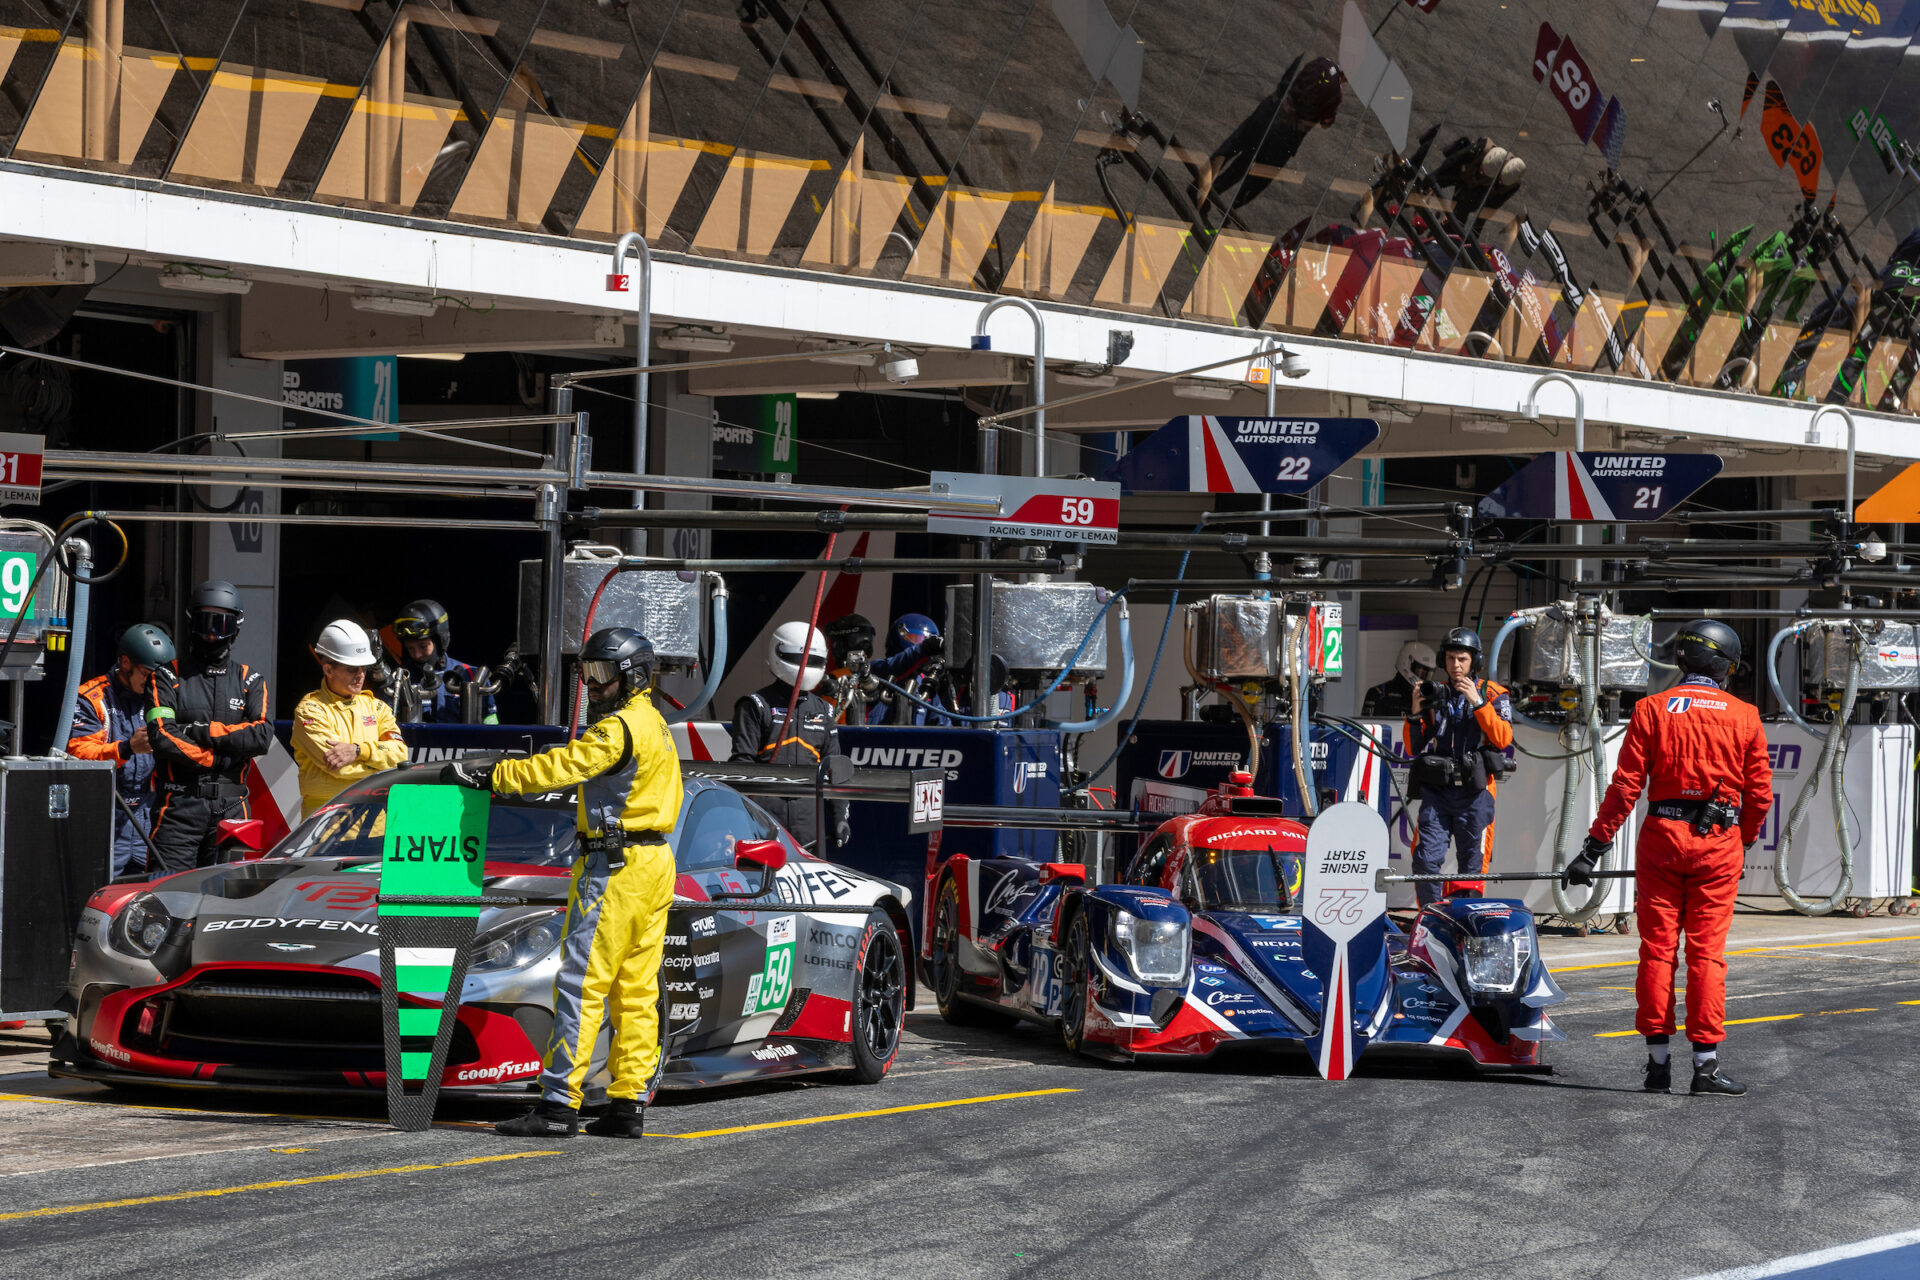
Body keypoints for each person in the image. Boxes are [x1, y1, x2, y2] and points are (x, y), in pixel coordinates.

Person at [447, 627, 681, 1139]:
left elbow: (564, 766)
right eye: (587, 673)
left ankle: (557, 1105)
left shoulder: (617, 729)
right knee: (637, 990)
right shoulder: (656, 725)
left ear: (633, 677)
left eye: (602, 673)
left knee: (581, 984)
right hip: (654, 862)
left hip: (614, 868)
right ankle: (627, 1105)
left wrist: (492, 776)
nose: (592, 685)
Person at [1568, 620, 1772, 1098]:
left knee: (1657, 951)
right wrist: (1741, 840)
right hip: (1717, 843)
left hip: (1660, 838)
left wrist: (1593, 849)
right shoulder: (1745, 715)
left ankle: (1657, 1067)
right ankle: (1705, 1067)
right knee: (1707, 955)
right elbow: (1760, 794)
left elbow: (1625, 788)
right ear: (1725, 666)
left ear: (1682, 659)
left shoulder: (1651, 709)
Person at [145, 581, 272, 877]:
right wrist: (217, 758)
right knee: (169, 893)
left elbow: (261, 736)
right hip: (178, 809)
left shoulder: (250, 680)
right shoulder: (166, 676)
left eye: (221, 624)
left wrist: (200, 731)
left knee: (232, 894)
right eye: (205, 623)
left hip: (233, 809)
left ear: (235, 628)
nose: (212, 634)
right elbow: (162, 735)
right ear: (192, 623)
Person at [1404, 627, 1513, 906]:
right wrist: (1415, 712)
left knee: (1472, 868)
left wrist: (1478, 702)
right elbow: (1413, 748)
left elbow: (1503, 738)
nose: (1456, 665)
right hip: (1437, 792)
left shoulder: (1493, 693)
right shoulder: (1434, 693)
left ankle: (1466, 920)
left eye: (1462, 659)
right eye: (1451, 658)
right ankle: (1431, 917)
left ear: (1475, 661)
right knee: (1425, 861)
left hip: (1476, 793)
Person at [67, 624, 174, 876]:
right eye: (147, 674)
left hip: (147, 814)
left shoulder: (159, 698)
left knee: (152, 889)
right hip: (105, 814)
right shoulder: (91, 697)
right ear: (125, 663)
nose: (153, 683)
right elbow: (78, 754)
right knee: (99, 887)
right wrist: (127, 748)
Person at [729, 621, 848, 849]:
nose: (805, 666)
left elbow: (836, 770)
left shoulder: (824, 710)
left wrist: (840, 816)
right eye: (798, 658)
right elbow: (741, 766)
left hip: (809, 824)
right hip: (762, 819)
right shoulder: (755, 705)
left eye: (812, 660)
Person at [1193, 56, 1344, 217]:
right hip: (1286, 132)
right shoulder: (1335, 92)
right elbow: (1326, 122)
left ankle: (1198, 187)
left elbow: (1290, 75)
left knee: (1234, 145)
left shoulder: (1317, 61)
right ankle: (1222, 201)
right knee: (1255, 172)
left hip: (1270, 108)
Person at [291, 620, 408, 818]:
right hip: (326, 822)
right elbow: (339, 768)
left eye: (364, 667)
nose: (360, 675)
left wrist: (358, 750)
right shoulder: (310, 710)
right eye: (352, 668)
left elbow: (401, 755)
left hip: (376, 822)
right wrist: (384, 770)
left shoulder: (377, 707)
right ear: (328, 670)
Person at [392, 598, 497, 724]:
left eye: (423, 646)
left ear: (440, 641)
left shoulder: (471, 674)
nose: (417, 654)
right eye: (410, 648)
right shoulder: (398, 679)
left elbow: (491, 725)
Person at [870, 613, 950, 725]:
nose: (919, 644)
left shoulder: (925, 686)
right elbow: (896, 666)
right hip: (873, 736)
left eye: (924, 640)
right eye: (915, 638)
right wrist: (923, 649)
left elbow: (942, 724)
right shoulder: (876, 672)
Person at [1363, 640, 1437, 718]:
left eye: (1427, 673)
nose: (1423, 676)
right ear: (1406, 663)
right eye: (1420, 671)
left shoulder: (1427, 698)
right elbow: (1370, 725)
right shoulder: (1379, 694)